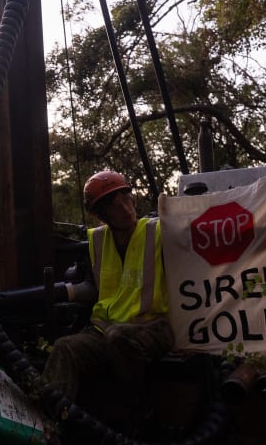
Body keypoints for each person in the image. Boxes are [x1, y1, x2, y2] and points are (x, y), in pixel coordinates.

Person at [41, 170, 174, 409]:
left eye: (126, 198)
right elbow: (94, 287)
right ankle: (47, 432)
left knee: (118, 338)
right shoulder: (98, 242)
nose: (125, 208)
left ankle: (138, 416)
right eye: (115, 205)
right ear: (102, 214)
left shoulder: (159, 232)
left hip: (155, 325)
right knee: (65, 347)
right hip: (106, 330)